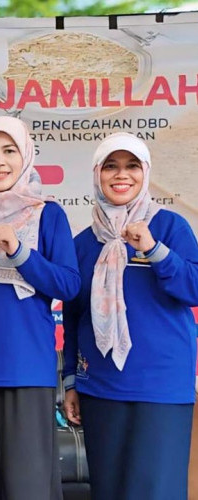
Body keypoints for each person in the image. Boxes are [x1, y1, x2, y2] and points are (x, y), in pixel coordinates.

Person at [0, 116, 80, 500]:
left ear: (25, 157)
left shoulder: (46, 214)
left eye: (9, 151)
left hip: (24, 368)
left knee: (28, 488)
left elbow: (69, 285)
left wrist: (19, 251)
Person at [62, 132, 198, 500]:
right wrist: (71, 380)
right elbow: (73, 315)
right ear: (97, 174)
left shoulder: (170, 227)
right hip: (100, 386)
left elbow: (194, 289)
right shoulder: (84, 243)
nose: (121, 175)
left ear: (145, 172)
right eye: (111, 166)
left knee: (155, 491)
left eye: (132, 166)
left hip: (161, 387)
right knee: (109, 490)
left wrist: (155, 251)